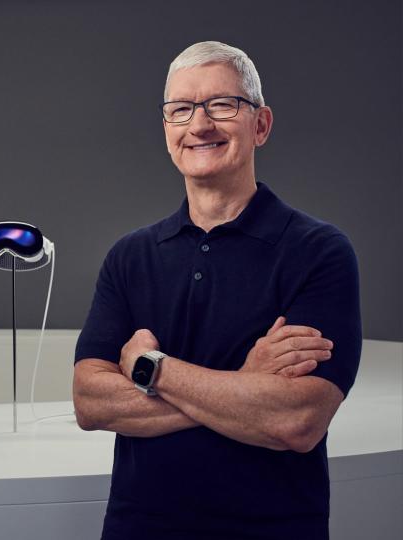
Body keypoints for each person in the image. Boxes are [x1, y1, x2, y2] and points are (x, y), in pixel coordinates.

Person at [72, 41, 362, 540]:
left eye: (221, 105)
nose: (199, 125)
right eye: (180, 110)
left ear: (261, 125)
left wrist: (149, 368)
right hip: (140, 527)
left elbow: (295, 419)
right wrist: (244, 384)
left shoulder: (319, 251)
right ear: (167, 131)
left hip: (272, 528)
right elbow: (91, 403)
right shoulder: (130, 255)